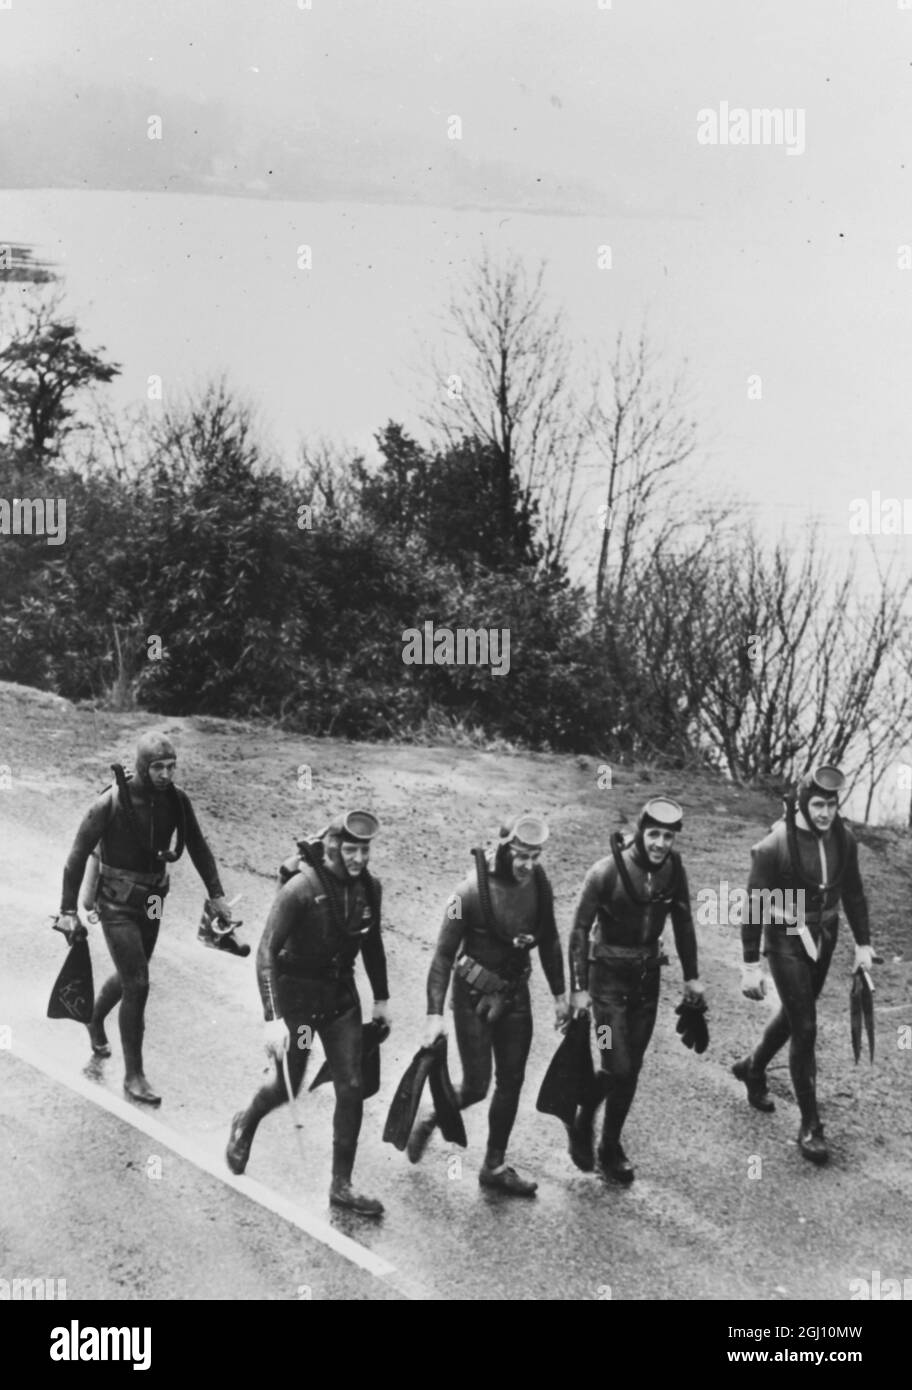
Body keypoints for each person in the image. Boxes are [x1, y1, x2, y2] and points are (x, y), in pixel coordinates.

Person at [225, 810, 391, 1217]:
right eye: (351, 850)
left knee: (351, 1086)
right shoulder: (301, 889)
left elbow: (371, 945)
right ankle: (245, 1121)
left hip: (339, 1001)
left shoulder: (371, 889)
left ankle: (341, 1185)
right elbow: (266, 951)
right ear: (333, 847)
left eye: (364, 850)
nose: (358, 859)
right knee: (288, 1084)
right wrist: (272, 1018)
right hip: (297, 1003)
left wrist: (382, 999)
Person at [57, 733, 233, 1105]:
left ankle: (94, 1017)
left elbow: (198, 848)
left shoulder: (177, 801)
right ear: (141, 766)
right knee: (138, 982)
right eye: (158, 767)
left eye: (171, 767)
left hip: (153, 900)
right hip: (116, 903)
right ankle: (134, 1075)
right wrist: (69, 911)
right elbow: (76, 856)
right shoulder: (111, 802)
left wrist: (216, 895)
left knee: (130, 974)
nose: (166, 775)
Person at [406, 814, 569, 1197]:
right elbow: (443, 955)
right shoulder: (466, 893)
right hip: (473, 998)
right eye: (521, 855)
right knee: (477, 1086)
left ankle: (493, 1165)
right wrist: (434, 1015)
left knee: (512, 1080)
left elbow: (551, 941)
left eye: (536, 856)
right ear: (503, 848)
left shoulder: (539, 884)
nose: (529, 865)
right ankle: (433, 1116)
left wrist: (561, 995)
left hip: (515, 994)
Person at [733, 765, 874, 1165]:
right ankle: (810, 1125)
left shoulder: (844, 840)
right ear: (801, 803)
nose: (825, 812)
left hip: (823, 938)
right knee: (806, 1026)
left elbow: (854, 892)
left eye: (831, 804)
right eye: (818, 804)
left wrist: (863, 945)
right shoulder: (774, 845)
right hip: (785, 938)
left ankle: (753, 1067)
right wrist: (749, 966)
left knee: (798, 1015)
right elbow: (754, 907)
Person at [567, 797, 703, 1183]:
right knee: (615, 1063)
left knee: (632, 1068)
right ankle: (582, 1118)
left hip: (645, 982)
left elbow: (683, 924)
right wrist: (579, 989)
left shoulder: (674, 870)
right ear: (641, 833)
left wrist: (692, 977)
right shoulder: (605, 872)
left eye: (669, 836)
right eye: (654, 834)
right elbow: (578, 931)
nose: (661, 843)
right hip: (605, 983)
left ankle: (609, 1145)